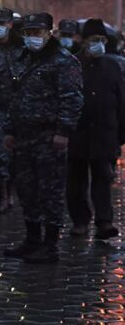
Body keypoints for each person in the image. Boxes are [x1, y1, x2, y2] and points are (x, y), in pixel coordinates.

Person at [4, 13, 83, 264]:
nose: (32, 38)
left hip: (49, 136)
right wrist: (9, 129)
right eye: (28, 33)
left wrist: (64, 131)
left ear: (49, 33)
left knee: (50, 190)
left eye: (37, 33)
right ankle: (32, 240)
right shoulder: (23, 59)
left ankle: (50, 245)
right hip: (24, 135)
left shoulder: (63, 61)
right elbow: (14, 97)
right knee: (26, 189)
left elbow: (72, 98)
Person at [67, 19, 124, 239]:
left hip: (104, 133)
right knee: (76, 181)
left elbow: (121, 100)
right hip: (77, 132)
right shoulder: (71, 64)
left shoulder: (112, 66)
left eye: (102, 40)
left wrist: (120, 133)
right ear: (83, 41)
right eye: (94, 40)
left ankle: (104, 221)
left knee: (103, 178)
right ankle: (80, 221)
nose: (99, 44)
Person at [0, 8, 24, 214]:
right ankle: (2, 196)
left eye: (2, 23)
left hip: (20, 108)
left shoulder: (22, 48)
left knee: (19, 153)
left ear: (10, 24)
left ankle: (14, 192)